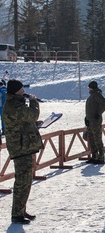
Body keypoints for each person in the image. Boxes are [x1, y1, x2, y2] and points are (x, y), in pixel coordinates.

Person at [3, 79, 43, 224]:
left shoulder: (17, 103)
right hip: (20, 148)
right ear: (16, 91)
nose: (24, 91)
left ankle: (21, 209)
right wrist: (34, 102)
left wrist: (33, 125)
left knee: (26, 181)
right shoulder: (13, 105)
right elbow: (32, 115)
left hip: (24, 145)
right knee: (22, 181)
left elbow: (24, 121)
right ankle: (16, 214)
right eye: (21, 89)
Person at [85, 81, 105, 164]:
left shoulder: (97, 95)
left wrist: (98, 113)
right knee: (91, 140)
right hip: (90, 121)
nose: (88, 89)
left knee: (97, 140)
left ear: (92, 88)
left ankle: (101, 157)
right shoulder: (92, 95)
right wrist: (87, 118)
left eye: (89, 87)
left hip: (95, 122)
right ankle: (94, 156)